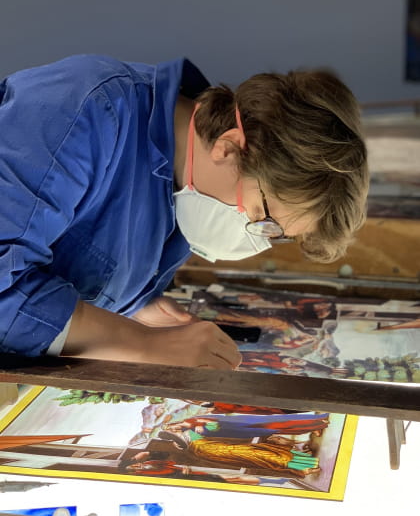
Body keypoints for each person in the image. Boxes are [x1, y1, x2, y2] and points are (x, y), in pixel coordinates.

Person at [0, 54, 368, 367]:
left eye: (276, 234)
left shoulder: (187, 187)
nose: (256, 238)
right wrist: (142, 343)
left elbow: (78, 258)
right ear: (228, 148)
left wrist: (131, 309)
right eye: (262, 217)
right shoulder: (87, 110)